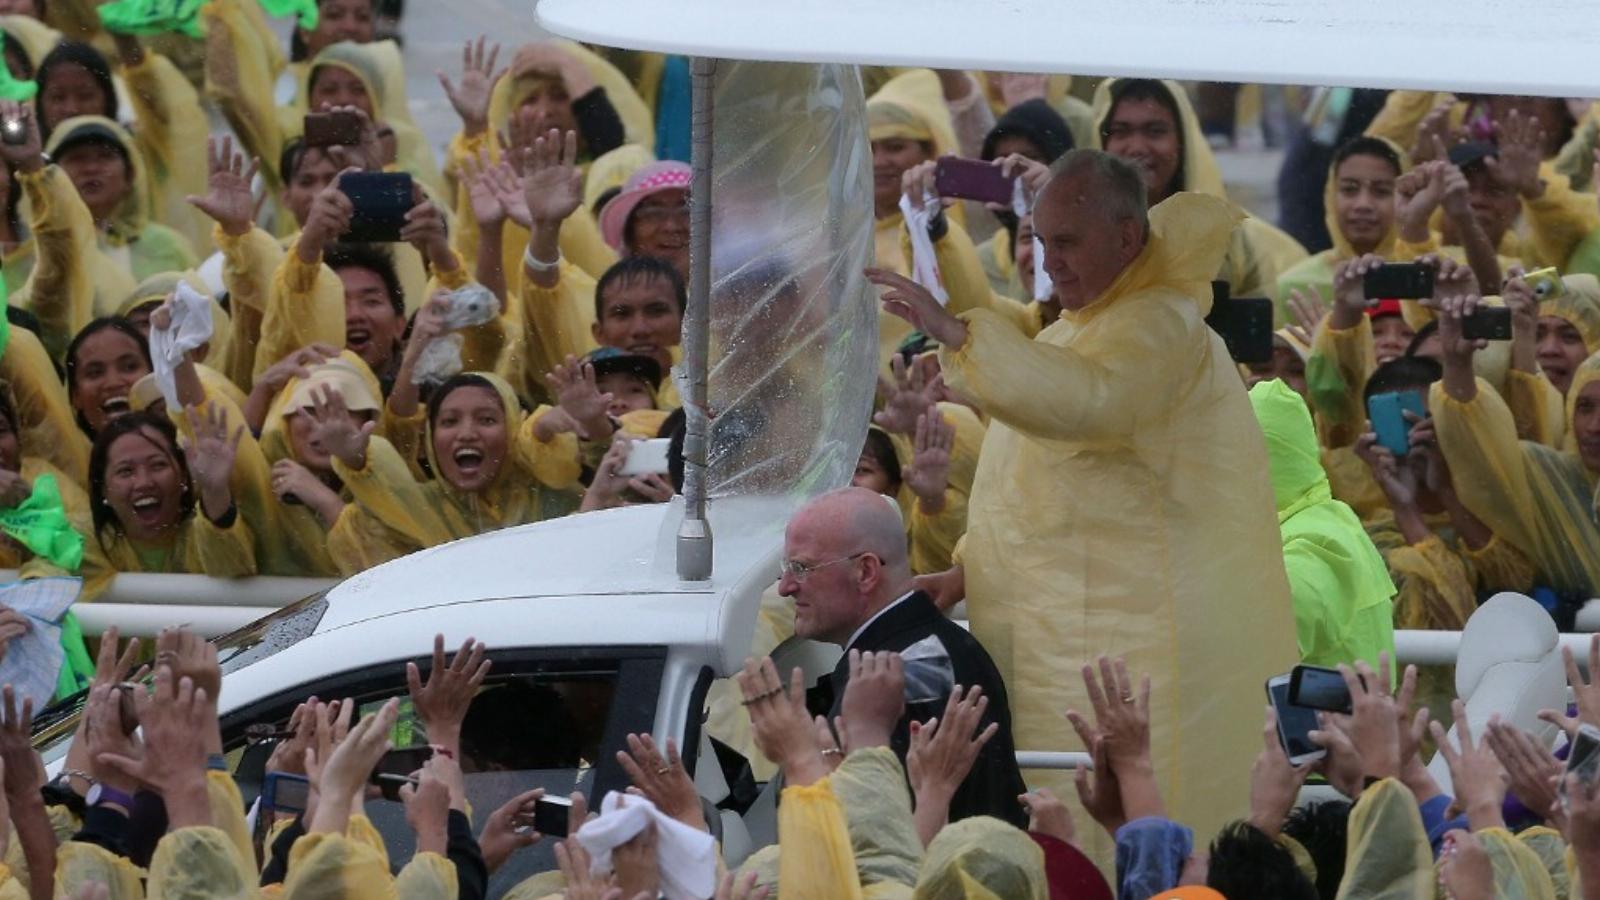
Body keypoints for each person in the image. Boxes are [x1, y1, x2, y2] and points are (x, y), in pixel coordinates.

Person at [871, 148, 1296, 851]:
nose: (1050, 260)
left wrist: (958, 332)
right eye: (1039, 241)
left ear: (1128, 238)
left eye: (1067, 241)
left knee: (1129, 830)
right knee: (1060, 830)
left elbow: (1089, 405)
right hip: (1058, 642)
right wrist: (967, 571)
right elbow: (1035, 484)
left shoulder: (1162, 325)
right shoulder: (1078, 328)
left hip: (1132, 649)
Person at [780, 486, 1027, 827]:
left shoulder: (898, 677)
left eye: (801, 567)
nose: (786, 586)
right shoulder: (935, 648)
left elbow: (868, 838)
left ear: (865, 572)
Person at [1432, 293, 1600, 599]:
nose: (1595, 427)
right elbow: (1478, 440)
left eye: (1569, 335)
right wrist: (1457, 364)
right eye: (1585, 407)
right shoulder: (1545, 475)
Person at [1090, 78, 1309, 305]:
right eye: (1121, 132)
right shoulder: (1080, 231)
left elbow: (1255, 324)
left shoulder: (1225, 240)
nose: (1137, 148)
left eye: (1155, 131)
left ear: (1182, 142)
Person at [1249, 378, 1396, 671]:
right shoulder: (1327, 519)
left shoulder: (1315, 543)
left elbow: (1258, 630)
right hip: (1336, 715)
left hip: (1322, 716)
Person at [1273, 136, 1407, 322]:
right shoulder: (1293, 289)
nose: (1363, 204)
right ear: (1330, 196)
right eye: (1349, 189)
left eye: (1381, 191)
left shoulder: (1428, 282)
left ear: (1406, 197)